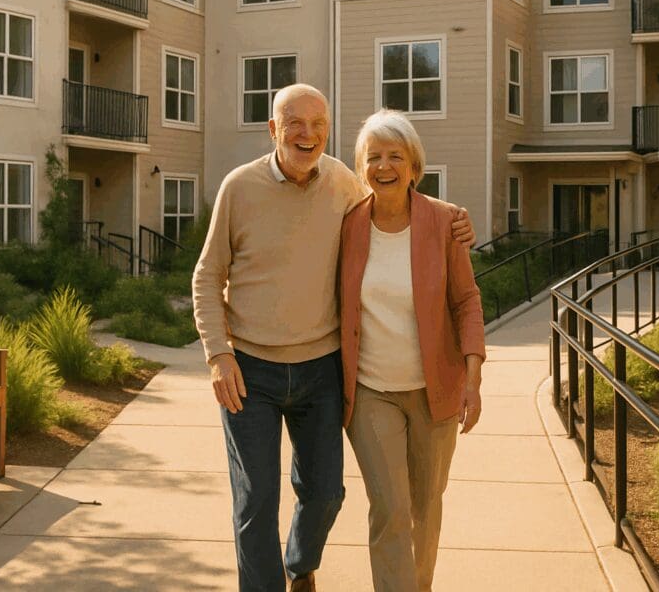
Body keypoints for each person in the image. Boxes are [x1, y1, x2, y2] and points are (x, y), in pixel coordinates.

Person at [191, 85, 474, 592]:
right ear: (273, 130)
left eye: (318, 123)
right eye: (294, 123)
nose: (308, 133)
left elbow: (397, 199)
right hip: (250, 369)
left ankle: (300, 564)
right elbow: (207, 276)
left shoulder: (344, 180)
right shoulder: (239, 188)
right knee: (256, 498)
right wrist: (218, 354)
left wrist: (453, 218)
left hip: (322, 367)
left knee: (324, 492)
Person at [339, 109, 486, 592]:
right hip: (371, 392)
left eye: (395, 156)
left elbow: (466, 302)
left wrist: (473, 380)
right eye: (373, 156)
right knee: (391, 507)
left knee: (426, 508)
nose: (384, 166)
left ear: (414, 167)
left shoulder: (445, 222)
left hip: (435, 391)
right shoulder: (346, 226)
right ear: (361, 167)